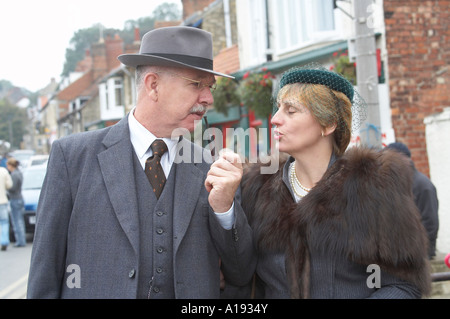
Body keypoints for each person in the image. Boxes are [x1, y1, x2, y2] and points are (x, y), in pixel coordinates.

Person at [27, 26, 256, 299]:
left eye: (210, 86)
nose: (208, 98)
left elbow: (242, 274)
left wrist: (224, 210)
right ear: (153, 85)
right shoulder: (72, 157)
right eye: (196, 84)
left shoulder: (213, 169)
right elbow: (45, 272)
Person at [241, 63, 431, 298]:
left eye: (291, 111)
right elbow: (241, 275)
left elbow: (403, 284)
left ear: (328, 124)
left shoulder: (373, 186)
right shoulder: (257, 187)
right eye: (278, 109)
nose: (275, 119)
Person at [386, 142, 439, 259]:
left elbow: (430, 224)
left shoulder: (423, 186)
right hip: (404, 258)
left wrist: (419, 253)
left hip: (419, 258)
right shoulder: (399, 184)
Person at [6, 157, 26, 247]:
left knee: (17, 221)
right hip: (19, 198)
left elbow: (13, 188)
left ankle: (20, 241)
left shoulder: (14, 174)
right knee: (20, 220)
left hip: (15, 198)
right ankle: (21, 240)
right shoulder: (19, 173)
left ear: (10, 165)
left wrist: (7, 188)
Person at [0, 165, 13, 251]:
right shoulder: (3, 171)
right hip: (2, 201)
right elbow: (9, 185)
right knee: (4, 222)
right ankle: (4, 241)